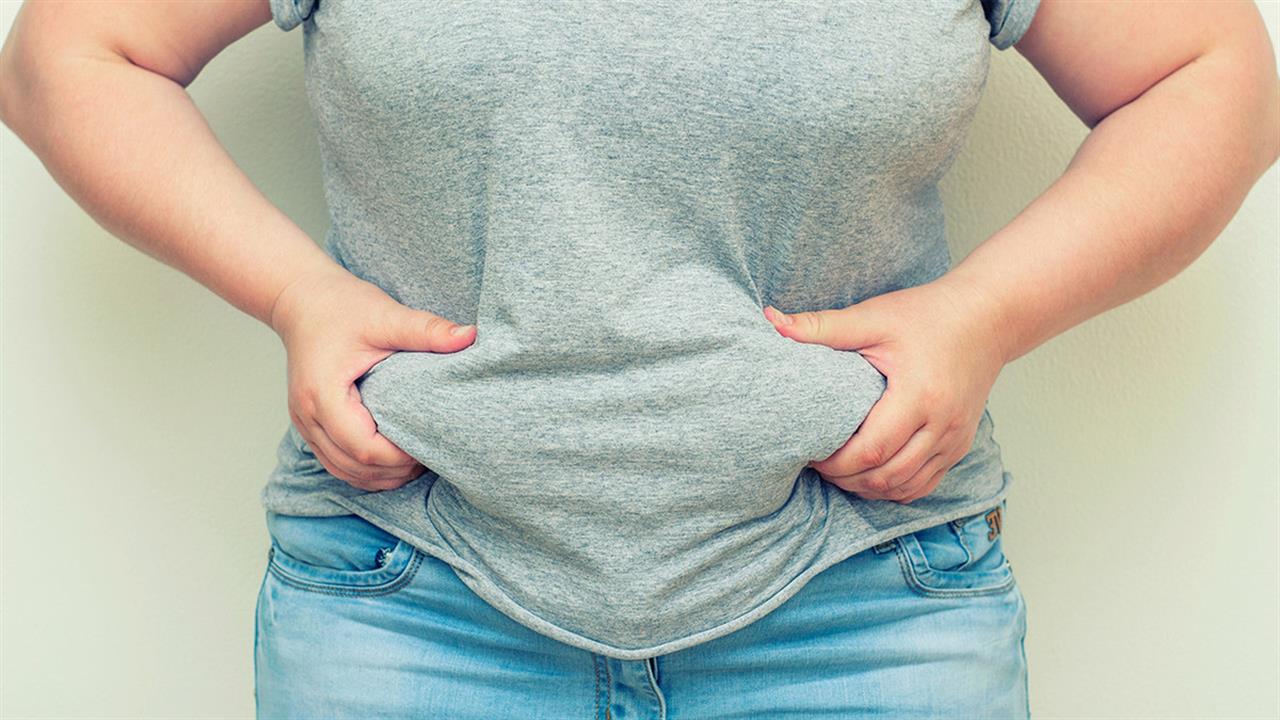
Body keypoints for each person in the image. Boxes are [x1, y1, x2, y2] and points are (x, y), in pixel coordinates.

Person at [1, 0, 1276, 717]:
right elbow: (69, 56)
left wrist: (984, 313)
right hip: (415, 600)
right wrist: (296, 296)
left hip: (858, 605)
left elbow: (1210, 77)